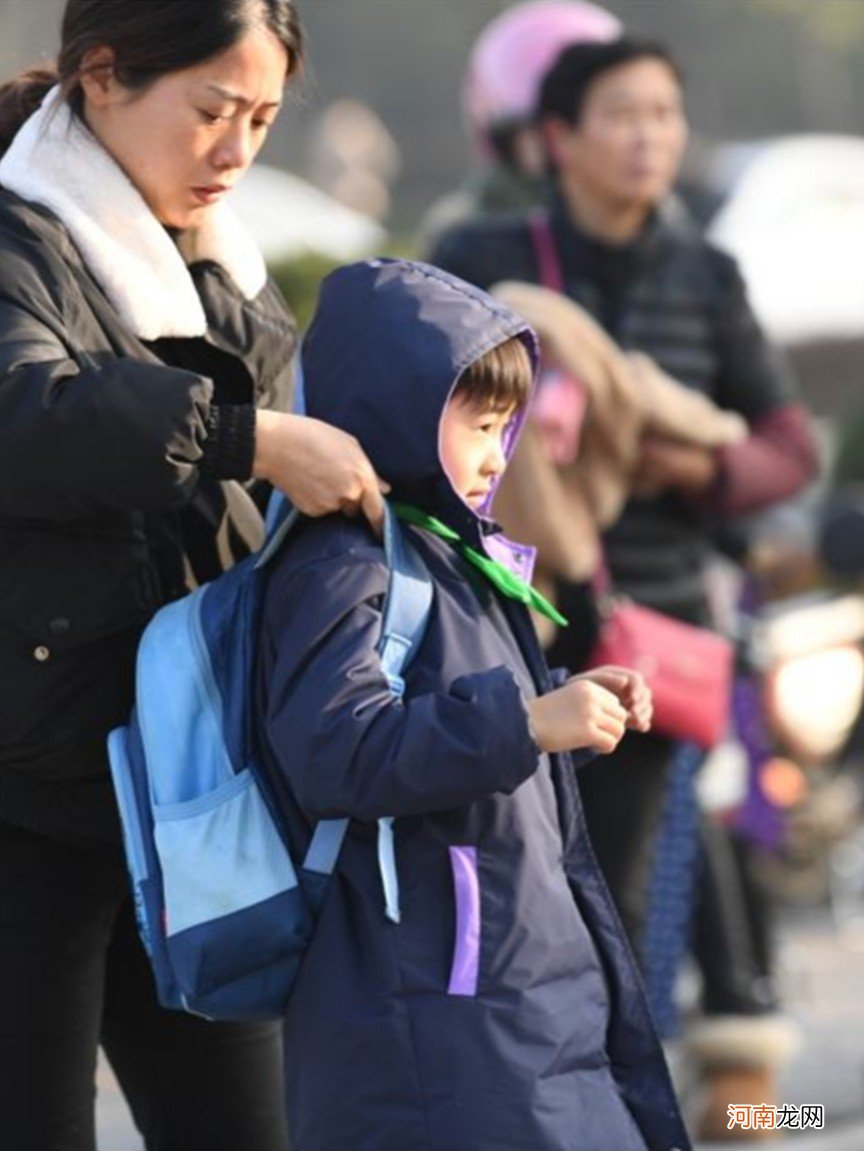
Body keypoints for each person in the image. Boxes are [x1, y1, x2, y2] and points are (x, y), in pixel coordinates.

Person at [0, 3, 394, 1150]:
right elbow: (8, 424)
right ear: (101, 77)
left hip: (188, 817)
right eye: (211, 110)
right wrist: (248, 437)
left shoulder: (230, 282)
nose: (236, 151)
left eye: (264, 118)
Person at [428, 36, 819, 1130]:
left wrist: (696, 463)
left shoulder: (707, 272)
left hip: (678, 638)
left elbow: (789, 449)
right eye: (621, 114)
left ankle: (741, 1112)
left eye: (664, 113)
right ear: (555, 138)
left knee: (708, 881)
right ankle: (586, 1099)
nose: (649, 135)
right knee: (565, 884)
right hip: (529, 626)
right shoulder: (485, 254)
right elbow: (427, 405)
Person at [256, 258, 691, 1151]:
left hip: (506, 987)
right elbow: (335, 748)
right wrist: (528, 721)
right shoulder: (344, 560)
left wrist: (560, 703)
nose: (503, 452)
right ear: (393, 409)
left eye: (509, 424)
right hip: (438, 1005)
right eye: (483, 422)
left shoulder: (444, 550)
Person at [421, 0, 622, 245]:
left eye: (578, 127)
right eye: (545, 132)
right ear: (507, 140)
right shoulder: (463, 234)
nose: (564, 145)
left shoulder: (666, 227)